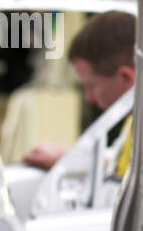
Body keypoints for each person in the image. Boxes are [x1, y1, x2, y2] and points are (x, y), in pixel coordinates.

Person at [22, 10, 136, 173]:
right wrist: (66, 158)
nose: (89, 98)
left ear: (125, 78)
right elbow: (117, 165)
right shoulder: (135, 122)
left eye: (91, 86)